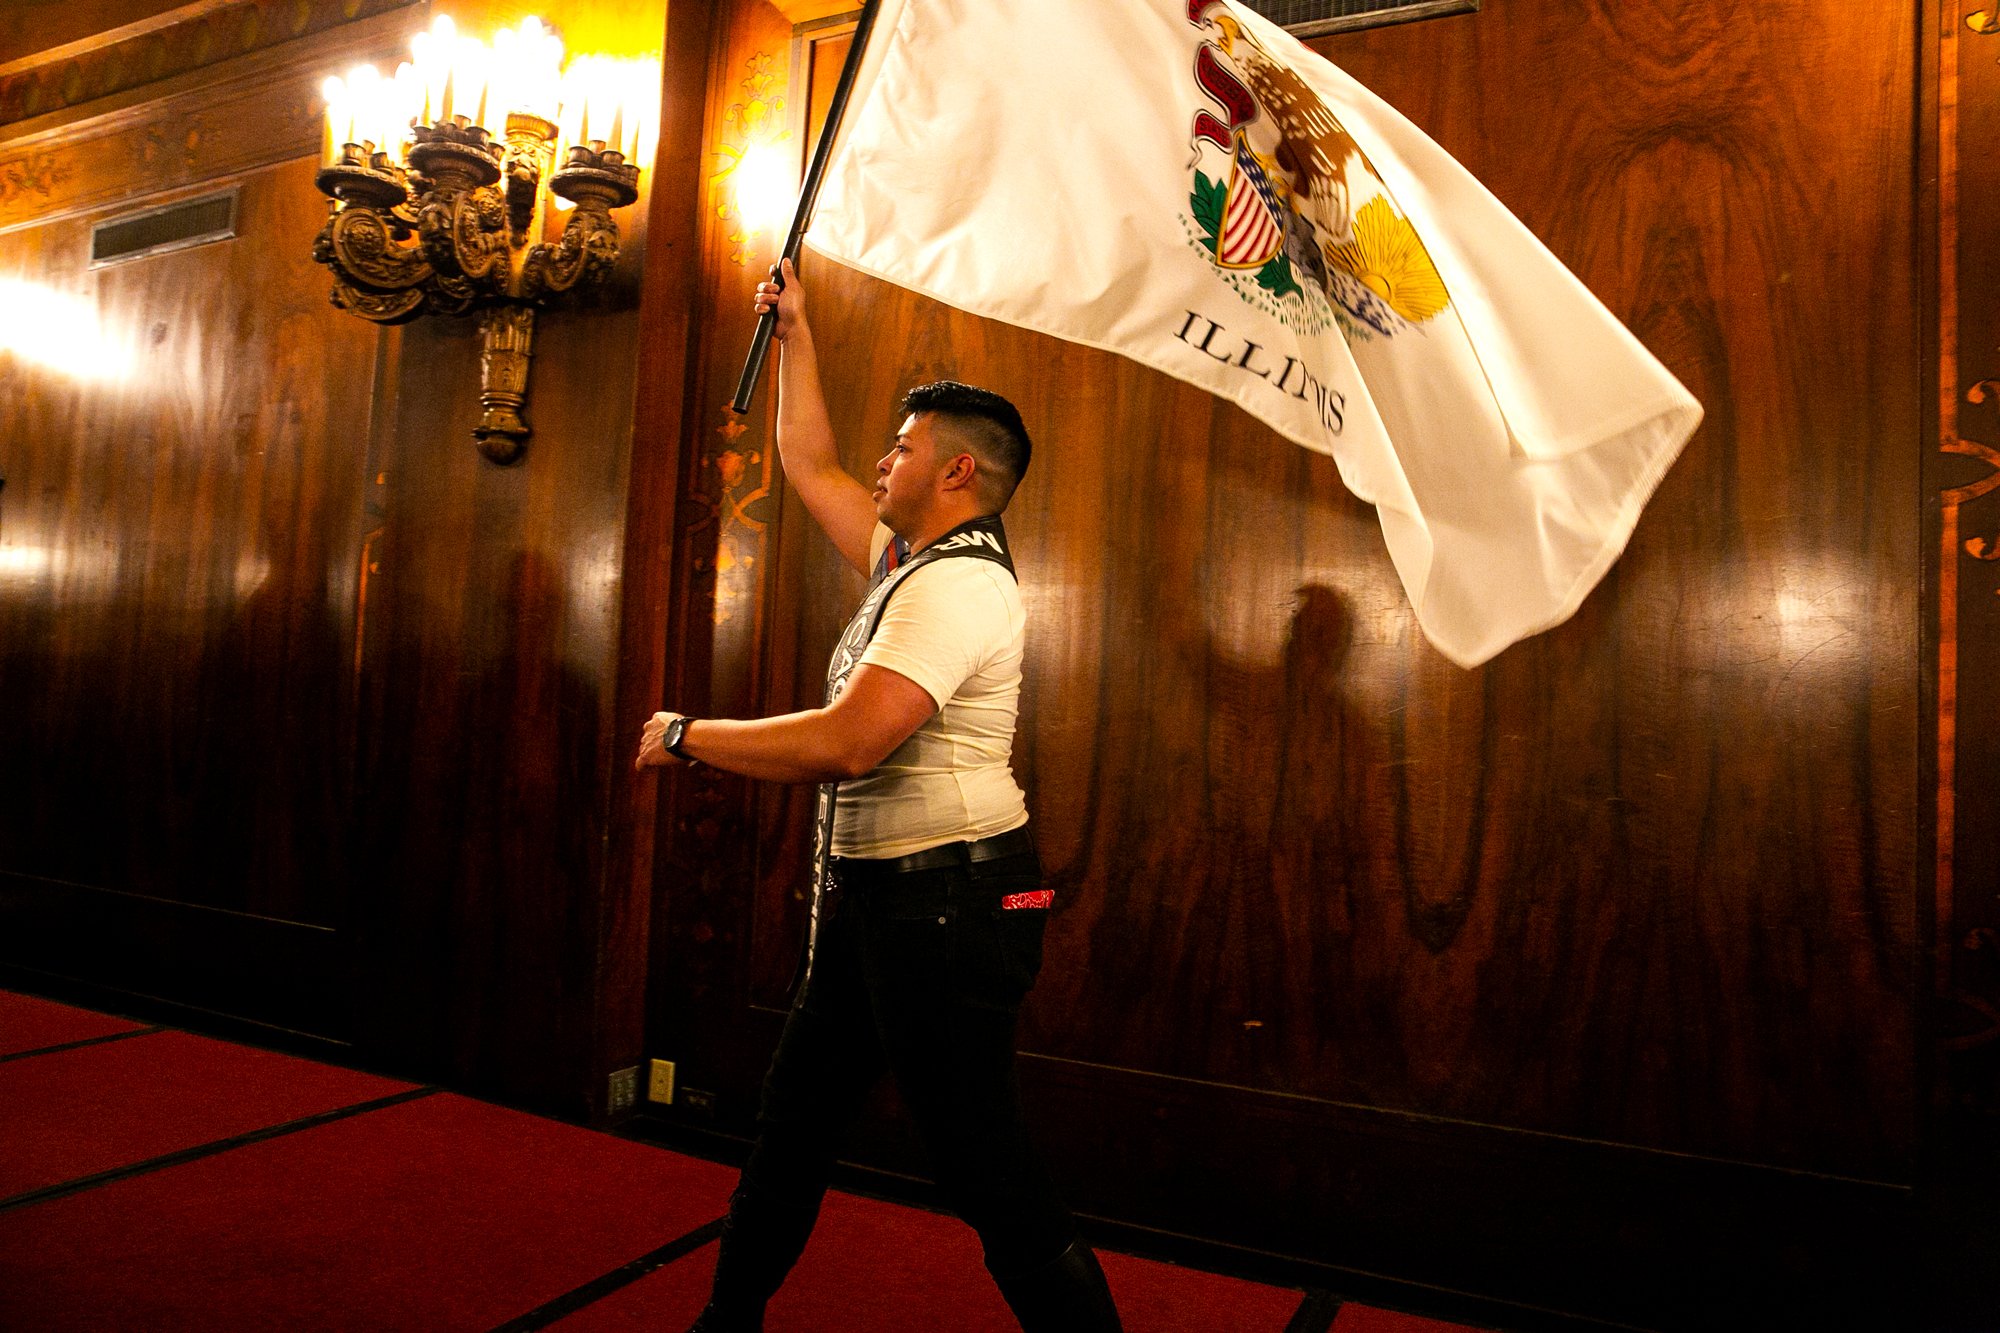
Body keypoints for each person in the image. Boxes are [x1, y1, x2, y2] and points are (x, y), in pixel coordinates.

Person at [635, 258, 1122, 1333]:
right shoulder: (907, 557)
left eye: (900, 447)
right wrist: (795, 327)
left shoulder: (959, 585)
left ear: (955, 472)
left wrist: (687, 736)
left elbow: (852, 743)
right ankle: (725, 1322)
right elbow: (803, 458)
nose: (878, 458)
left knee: (981, 1165)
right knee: (793, 1124)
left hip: (947, 909)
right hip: (882, 902)